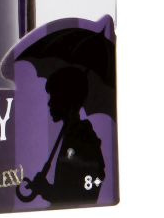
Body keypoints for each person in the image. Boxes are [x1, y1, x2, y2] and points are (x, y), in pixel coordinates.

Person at [18, 67, 104, 205]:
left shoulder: (82, 137)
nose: (49, 103)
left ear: (67, 100)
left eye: (54, 97)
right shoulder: (71, 134)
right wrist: (46, 189)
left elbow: (82, 195)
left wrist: (46, 190)